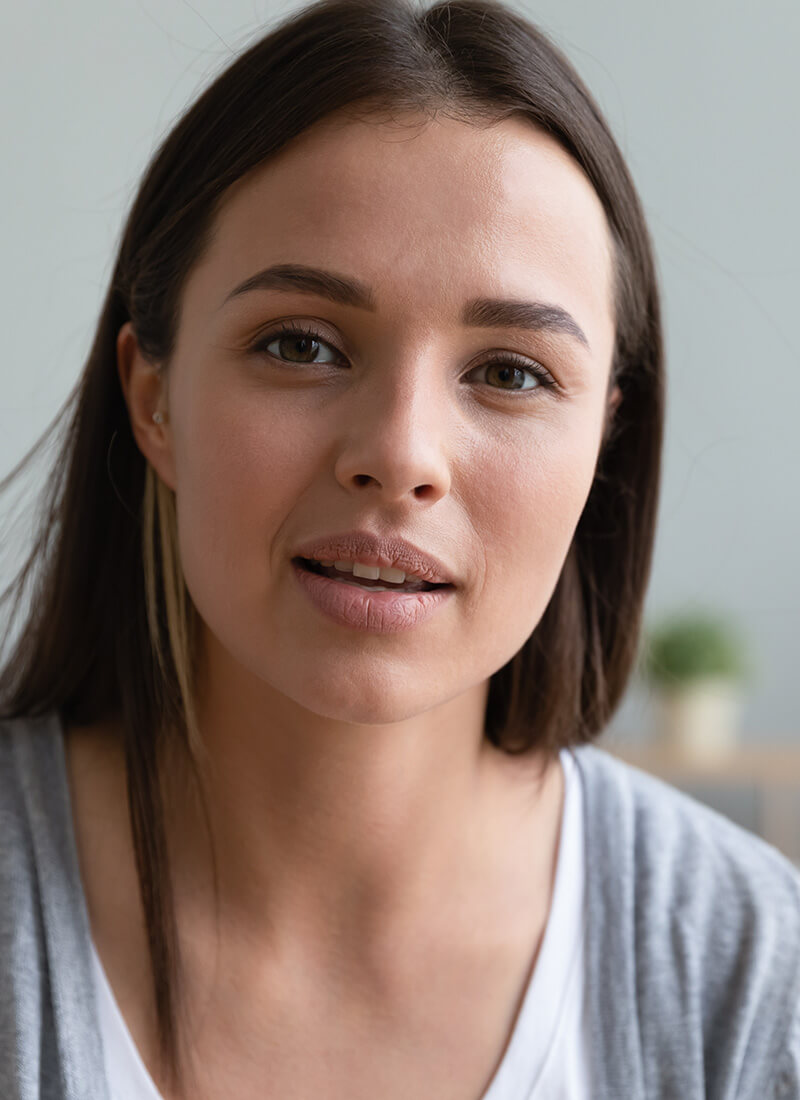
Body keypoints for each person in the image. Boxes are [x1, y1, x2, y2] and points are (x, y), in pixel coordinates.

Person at [1, 0, 798, 1097]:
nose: (399, 453)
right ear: (154, 399)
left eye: (510, 372)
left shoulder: (751, 980)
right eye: (300, 344)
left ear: (602, 438)